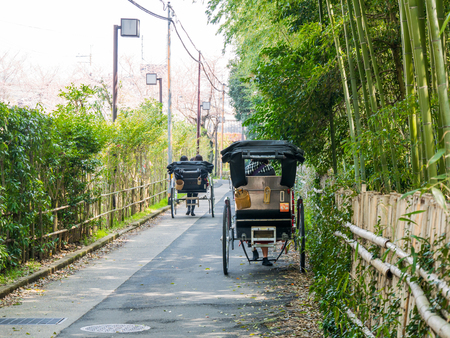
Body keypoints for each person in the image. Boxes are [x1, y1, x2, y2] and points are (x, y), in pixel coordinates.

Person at [245, 159, 275, 266]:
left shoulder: (247, 170)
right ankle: (265, 258)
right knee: (264, 226)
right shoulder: (270, 169)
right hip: (267, 204)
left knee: (249, 222)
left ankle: (253, 250)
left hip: (249, 206)